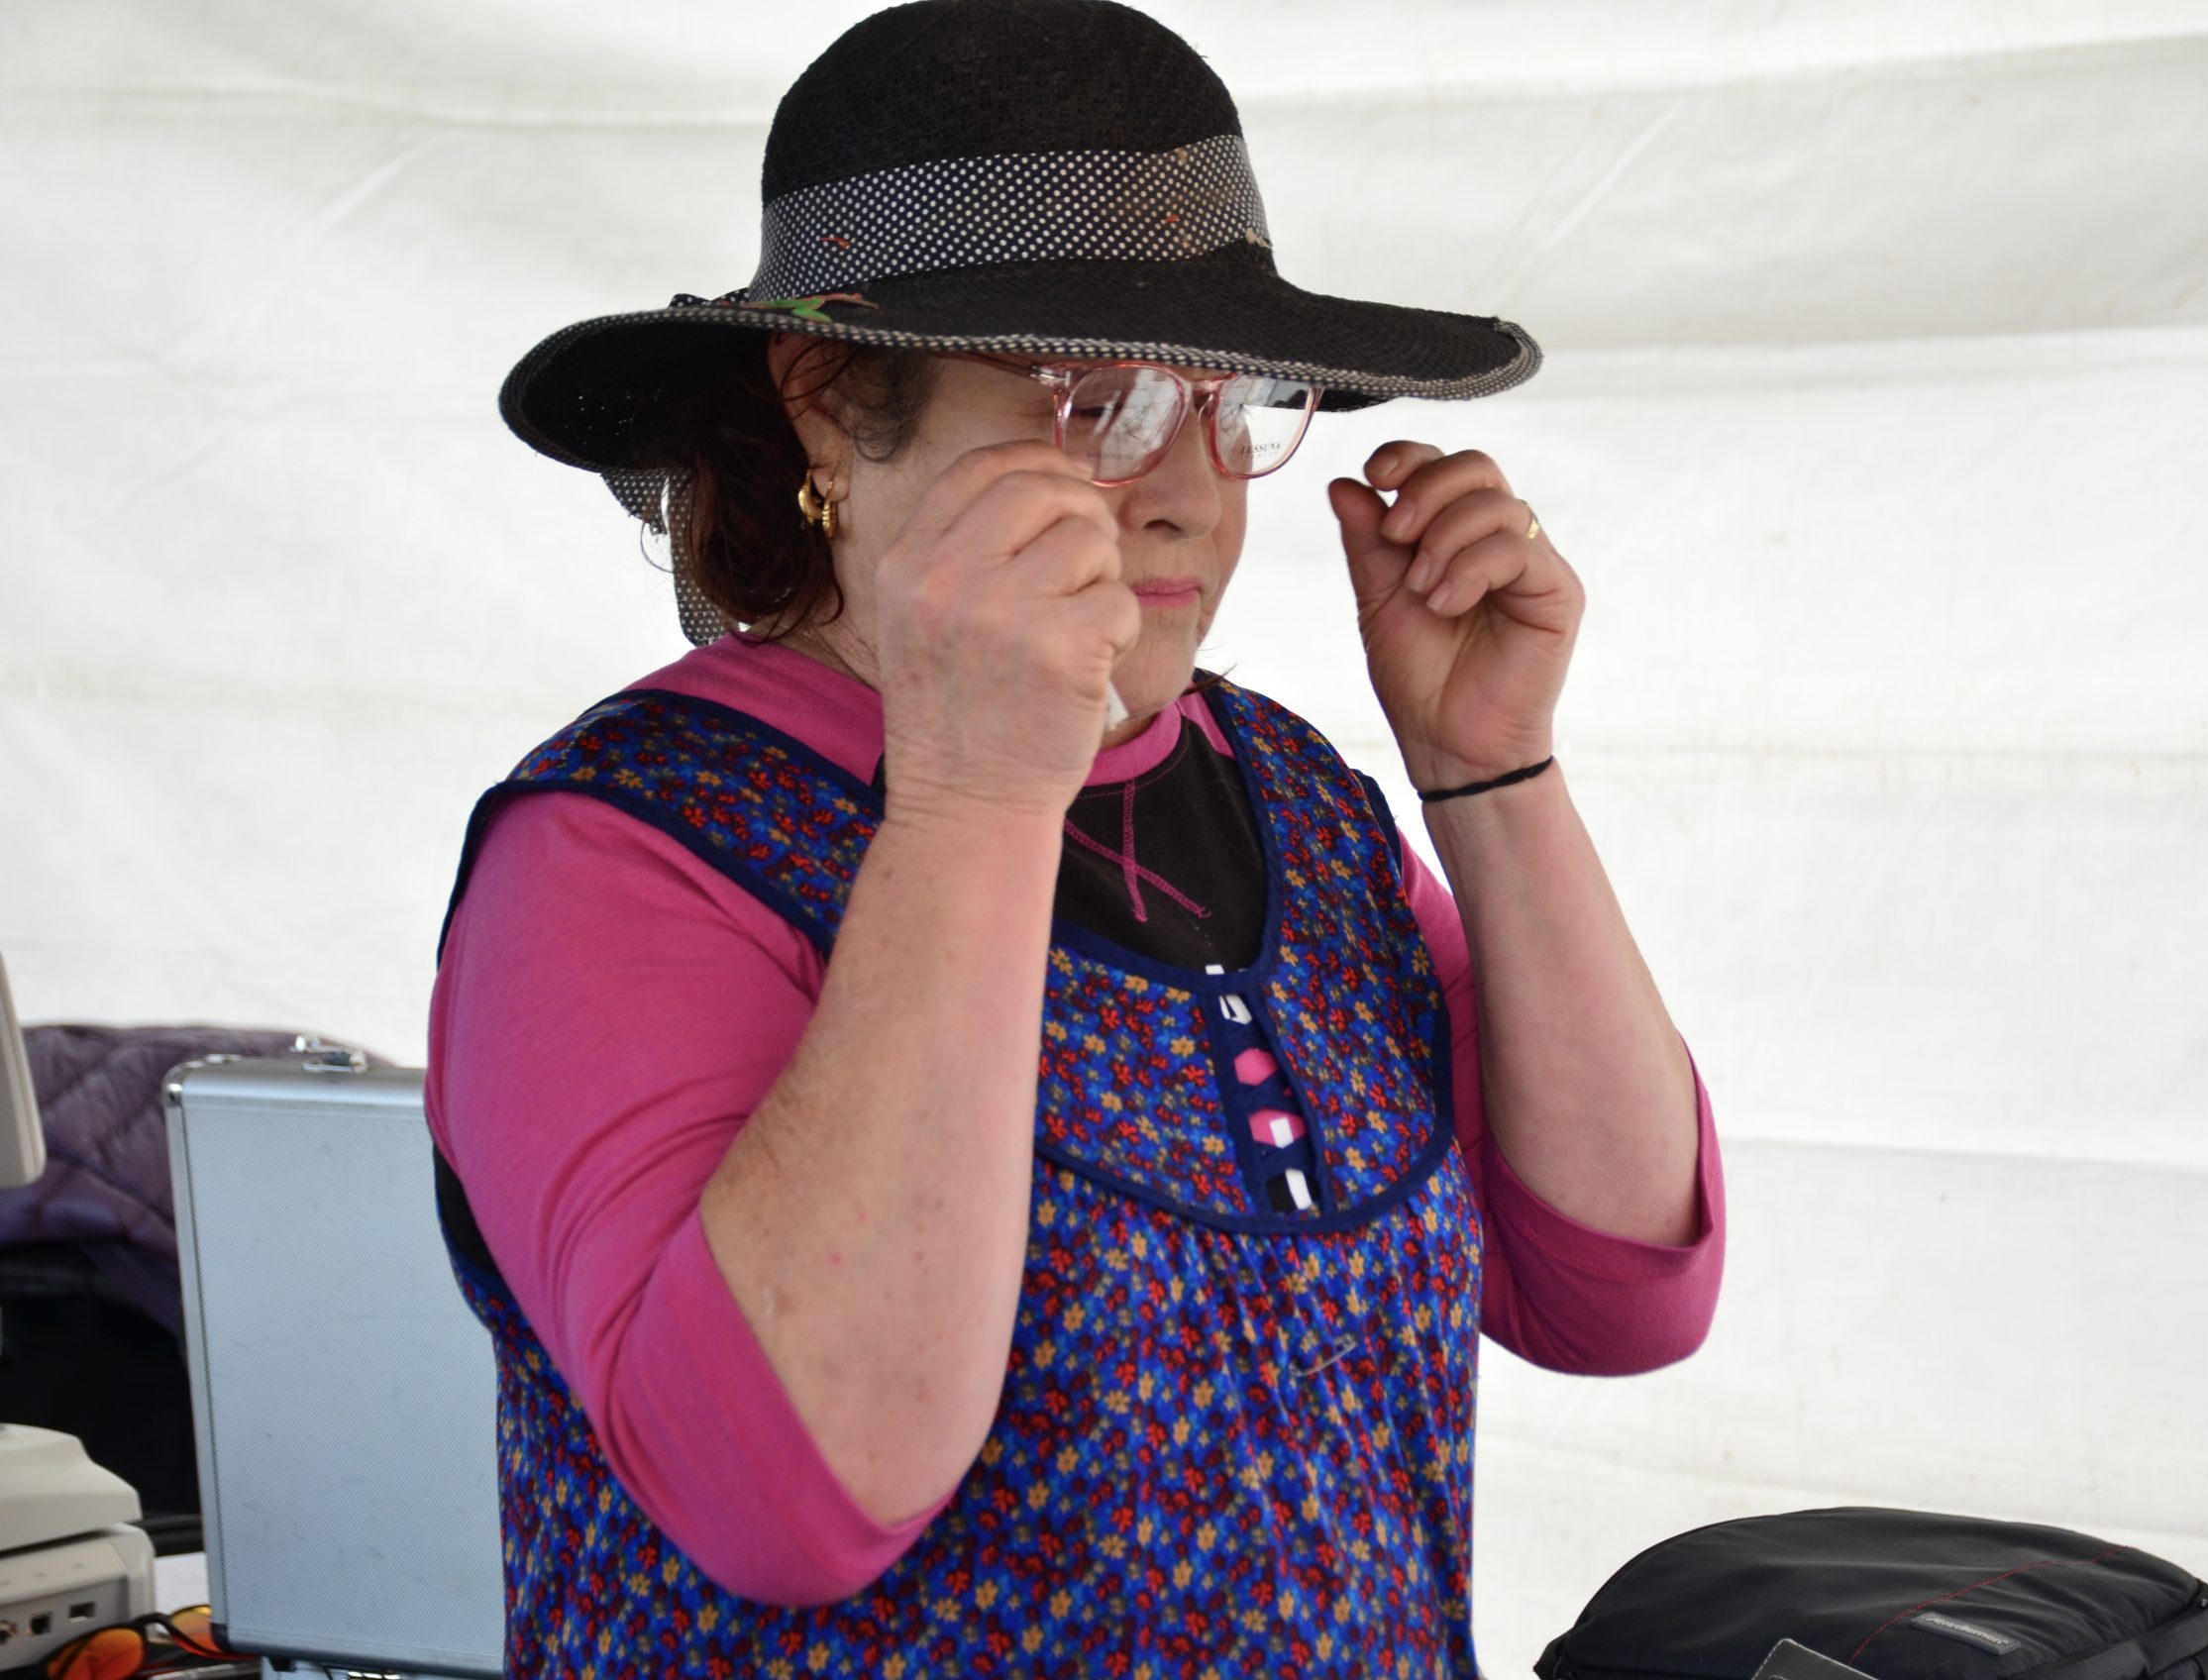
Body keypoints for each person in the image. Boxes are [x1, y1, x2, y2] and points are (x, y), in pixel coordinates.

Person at [425, 1, 1726, 1673]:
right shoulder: (621, 849)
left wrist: (1494, 775)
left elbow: (1619, 1290)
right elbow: (793, 1495)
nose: (1187, 487)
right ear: (829, 401)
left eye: (1228, 403)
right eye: (1100, 398)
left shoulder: (1290, 795)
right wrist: (975, 791)